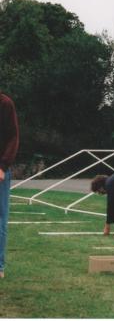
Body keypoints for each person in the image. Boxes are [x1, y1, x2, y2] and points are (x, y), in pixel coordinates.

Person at [0, 90, 19, 279]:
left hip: (0, 170)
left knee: (0, 220)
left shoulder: (5, 103)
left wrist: (3, 166)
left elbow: (13, 137)